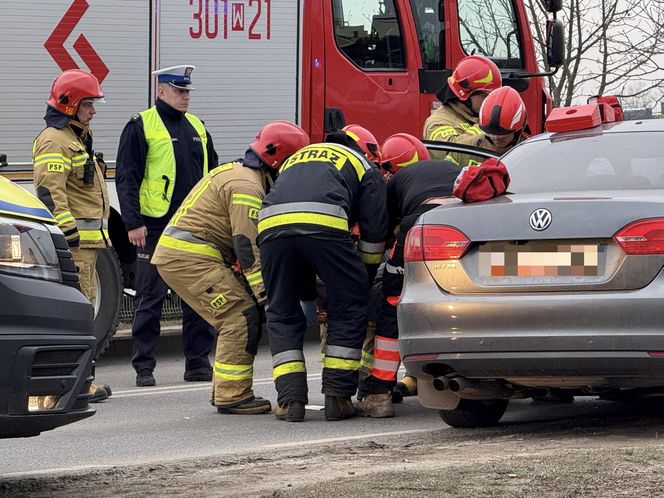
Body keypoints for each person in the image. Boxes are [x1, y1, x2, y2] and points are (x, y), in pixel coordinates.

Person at [152, 121, 309, 414]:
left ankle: (224, 390)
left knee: (237, 314)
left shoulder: (240, 174)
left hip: (189, 255)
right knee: (239, 316)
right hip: (190, 258)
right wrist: (265, 295)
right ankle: (232, 394)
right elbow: (247, 248)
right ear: (281, 162)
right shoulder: (247, 188)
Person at [258, 128, 389, 422]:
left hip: (270, 230)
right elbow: (374, 230)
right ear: (367, 150)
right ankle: (337, 396)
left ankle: (290, 399)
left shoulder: (299, 158)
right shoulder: (363, 165)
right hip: (325, 225)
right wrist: (363, 278)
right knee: (348, 306)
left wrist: (307, 293)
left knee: (280, 311)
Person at [115, 65, 217, 387]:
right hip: (154, 228)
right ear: (161, 91)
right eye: (179, 91)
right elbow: (126, 177)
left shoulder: (197, 127)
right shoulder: (141, 125)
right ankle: (144, 367)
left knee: (196, 296)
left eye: (187, 92)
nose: (185, 97)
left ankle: (198, 363)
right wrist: (133, 222)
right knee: (150, 298)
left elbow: (213, 177)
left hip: (193, 227)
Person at [356, 134, 461, 417]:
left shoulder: (393, 186)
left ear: (389, 169)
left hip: (423, 223)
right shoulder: (449, 167)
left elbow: (383, 230)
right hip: (467, 224)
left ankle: (378, 395)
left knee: (393, 302)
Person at [33, 69, 112, 403]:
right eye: (88, 104)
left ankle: (79, 380)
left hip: (88, 246)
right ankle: (77, 383)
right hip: (76, 247)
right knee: (78, 319)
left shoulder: (75, 138)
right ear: (70, 105)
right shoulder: (55, 139)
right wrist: (69, 237)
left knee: (82, 317)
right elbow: (50, 194)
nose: (93, 110)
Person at [422, 55, 502, 160]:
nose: (491, 101)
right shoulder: (437, 122)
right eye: (485, 95)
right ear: (464, 94)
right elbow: (450, 153)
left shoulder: (474, 115)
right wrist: (486, 126)